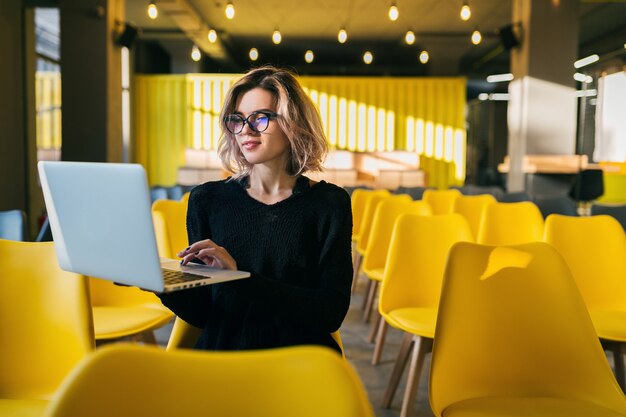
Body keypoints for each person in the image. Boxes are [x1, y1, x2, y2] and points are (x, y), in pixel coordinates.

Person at [159, 66, 353, 354]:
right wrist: (159, 283)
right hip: (225, 355)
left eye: (260, 118)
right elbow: (202, 312)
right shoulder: (206, 199)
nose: (245, 130)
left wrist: (239, 278)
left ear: (293, 123)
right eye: (237, 120)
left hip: (299, 358)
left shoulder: (329, 204)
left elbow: (329, 313)